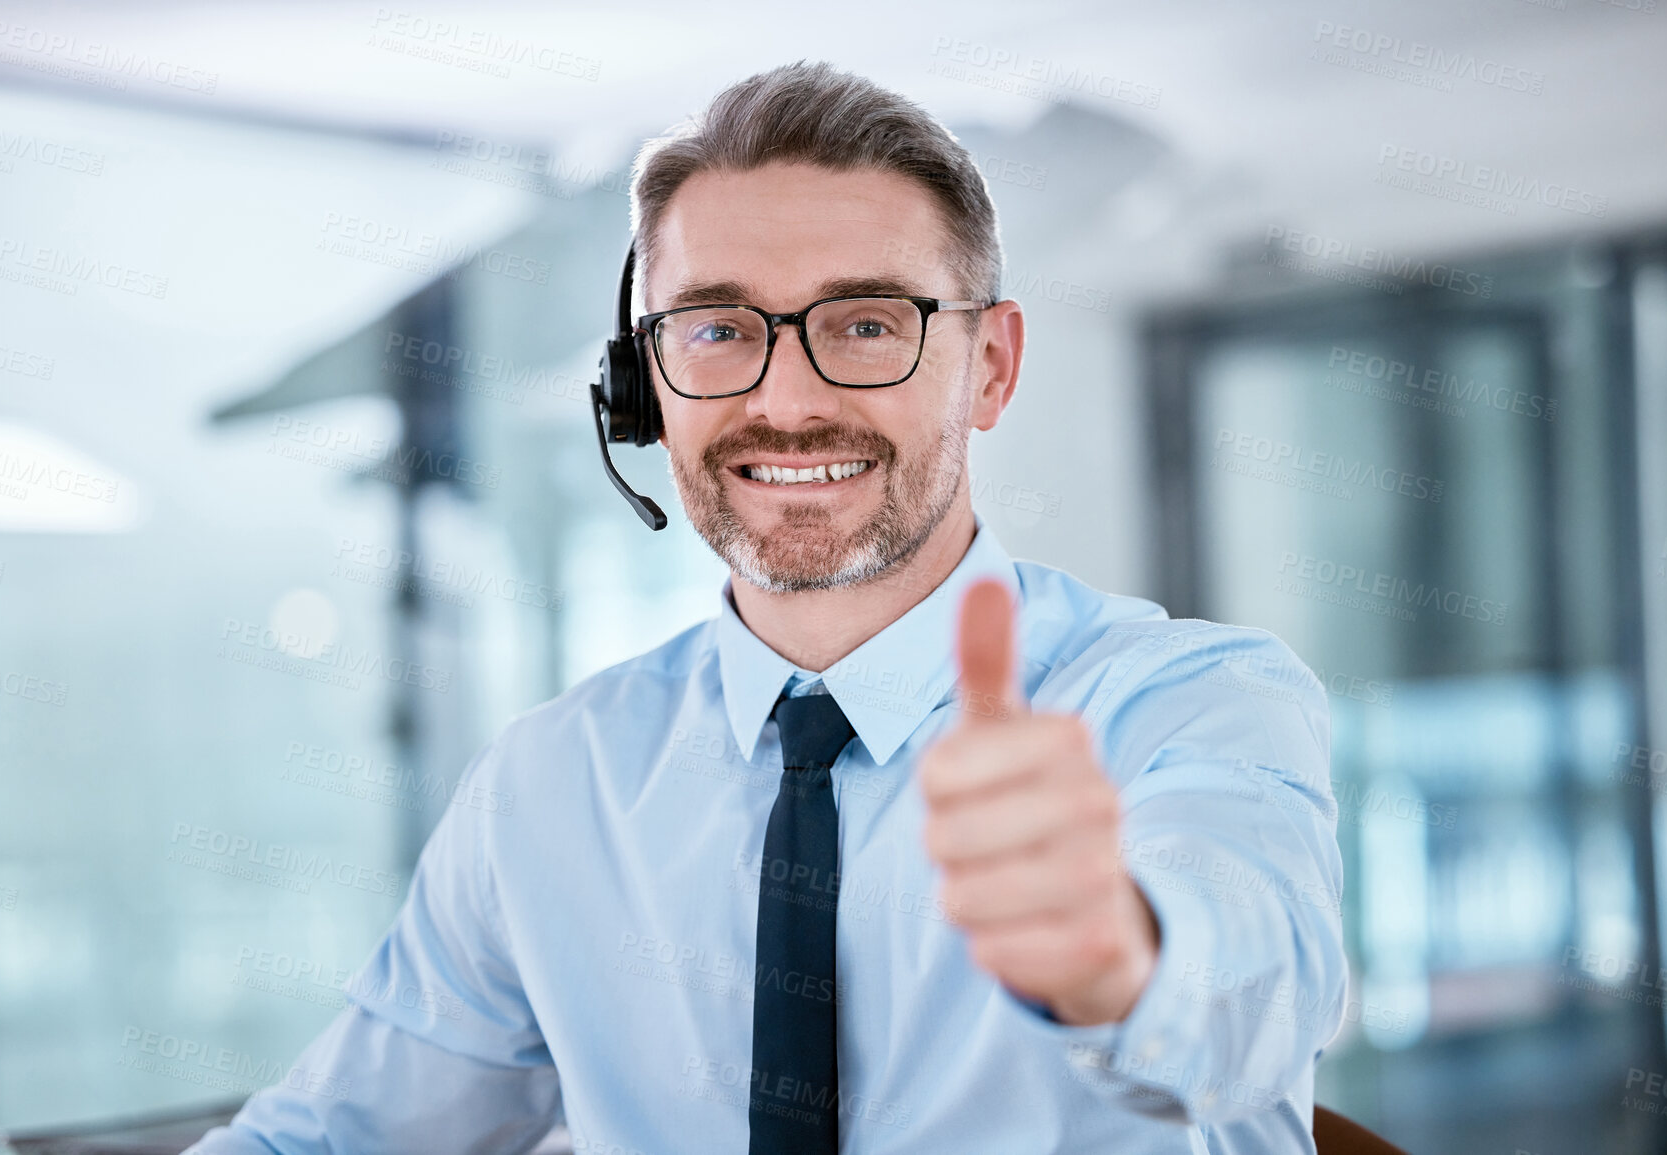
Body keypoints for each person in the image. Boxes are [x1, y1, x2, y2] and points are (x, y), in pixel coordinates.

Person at [188, 59, 1346, 1155]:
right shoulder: (551, 784)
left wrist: (1119, 958)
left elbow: (1255, 985)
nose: (787, 400)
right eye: (717, 330)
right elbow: (339, 1131)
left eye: (867, 325)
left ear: (990, 366)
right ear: (641, 389)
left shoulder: (1196, 702)